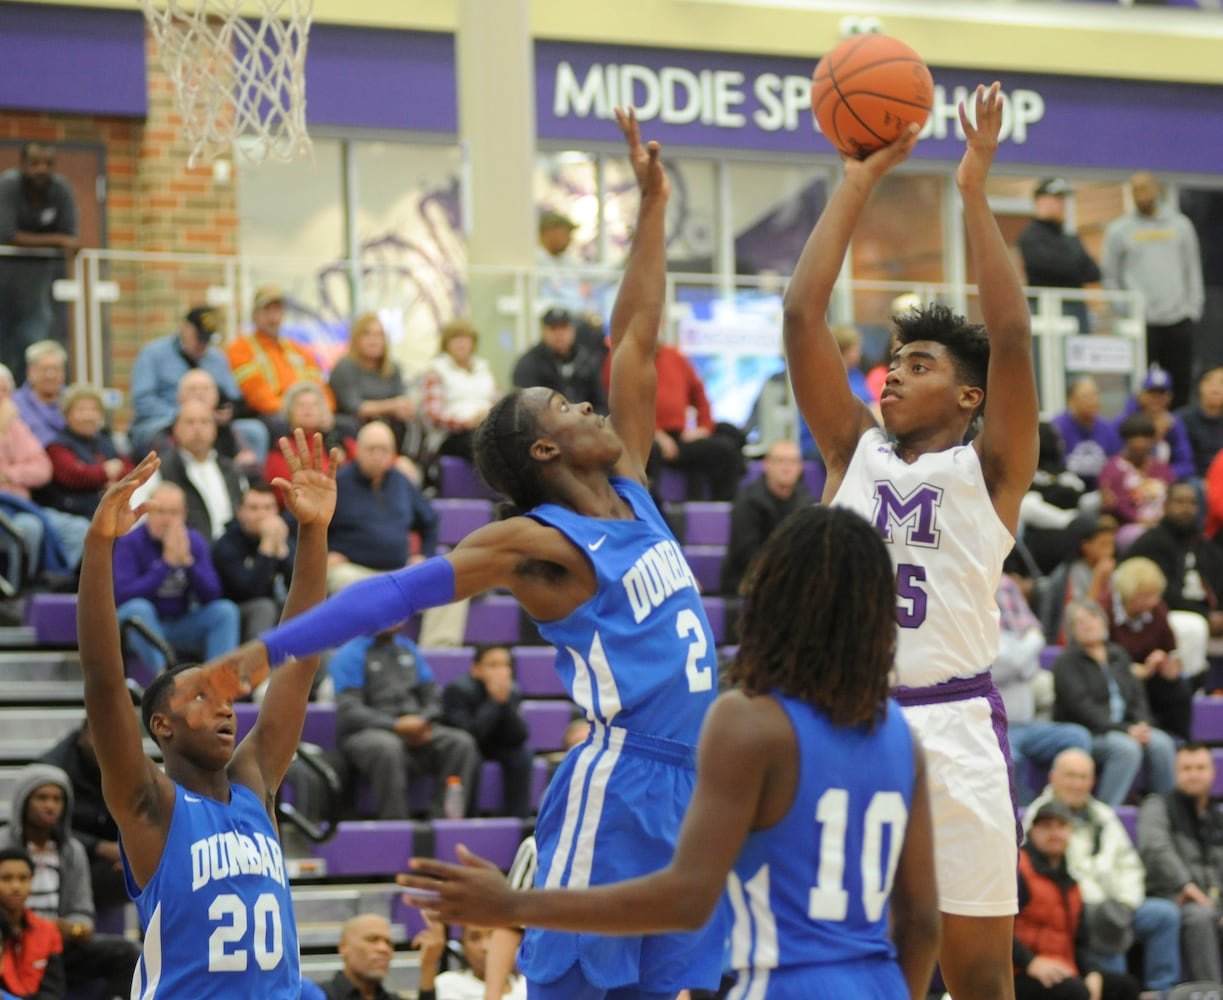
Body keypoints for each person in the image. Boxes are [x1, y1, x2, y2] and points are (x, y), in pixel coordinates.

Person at [201, 110, 730, 1000]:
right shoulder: (537, 544)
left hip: (695, 780)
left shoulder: (633, 482)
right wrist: (263, 653)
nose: (586, 406)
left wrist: (652, 206)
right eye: (562, 408)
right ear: (543, 454)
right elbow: (397, 594)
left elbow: (634, 332)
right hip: (624, 779)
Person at [399, 505, 940, 1000]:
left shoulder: (748, 722)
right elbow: (921, 922)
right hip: (882, 984)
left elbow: (685, 899)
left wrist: (514, 906)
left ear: (775, 597)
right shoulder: (901, 737)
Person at [782, 83, 1033, 1000]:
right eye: (891, 362)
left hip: (958, 726)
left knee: (978, 978)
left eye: (919, 366)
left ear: (970, 396)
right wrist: (855, 182)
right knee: (870, 973)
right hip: (852, 722)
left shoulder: (993, 469)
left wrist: (972, 187)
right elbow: (802, 319)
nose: (892, 375)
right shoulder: (850, 448)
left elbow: (1008, 332)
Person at [77, 432, 336, 997]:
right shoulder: (151, 805)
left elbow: (300, 658)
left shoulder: (255, 781)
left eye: (223, 697)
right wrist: (99, 547)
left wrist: (313, 532)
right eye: (198, 697)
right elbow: (101, 681)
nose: (222, 706)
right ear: (160, 726)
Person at [1026, 748, 1181, 996]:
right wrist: (1106, 907)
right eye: (1070, 776)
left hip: (1120, 902)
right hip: (1083, 907)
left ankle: (1162, 991)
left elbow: (1129, 863)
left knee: (1165, 915)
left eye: (1083, 777)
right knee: (1106, 920)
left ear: (1093, 781)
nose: (1077, 784)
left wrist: (1126, 903)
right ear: (1053, 778)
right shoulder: (1042, 818)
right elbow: (1053, 877)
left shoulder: (1104, 814)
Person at [0, 765, 138, 1000]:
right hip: (9, 941)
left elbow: (81, 909)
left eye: (57, 799)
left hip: (59, 944)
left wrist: (76, 928)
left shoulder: (72, 850)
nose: (50, 806)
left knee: (127, 953)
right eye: (42, 798)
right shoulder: (3, 843)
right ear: (24, 801)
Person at [331, 627, 480, 820]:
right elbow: (349, 711)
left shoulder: (409, 649)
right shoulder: (350, 653)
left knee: (461, 743)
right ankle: (396, 827)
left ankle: (445, 823)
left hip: (415, 729)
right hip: (367, 733)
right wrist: (396, 725)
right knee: (387, 748)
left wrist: (422, 721)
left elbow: (433, 698)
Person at [1052, 601, 1177, 805]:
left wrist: (1143, 724)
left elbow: (1137, 695)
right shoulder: (1066, 662)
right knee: (1126, 749)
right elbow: (1082, 708)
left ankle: (1167, 809)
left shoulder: (1118, 654)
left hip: (1128, 728)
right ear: (1072, 630)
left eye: (1092, 618)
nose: (1087, 624)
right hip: (1089, 732)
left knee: (1162, 743)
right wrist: (1126, 729)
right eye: (1079, 622)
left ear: (1104, 622)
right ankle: (1108, 810)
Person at [1013, 799, 1139, 1000]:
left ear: (1070, 833)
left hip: (1063, 970)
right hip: (1020, 972)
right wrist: (1031, 962)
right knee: (1075, 992)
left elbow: (1081, 941)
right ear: (1032, 831)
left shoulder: (1071, 882)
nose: (1055, 833)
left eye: (1061, 826)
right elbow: (999, 931)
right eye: (1046, 826)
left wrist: (1091, 972)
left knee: (1125, 986)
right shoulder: (1019, 871)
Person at [112, 481, 241, 672]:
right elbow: (122, 595)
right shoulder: (130, 542)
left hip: (180, 623)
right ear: (148, 513)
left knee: (225, 611)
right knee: (138, 609)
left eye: (174, 513)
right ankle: (163, 678)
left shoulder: (193, 541)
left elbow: (212, 594)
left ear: (184, 515)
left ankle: (217, 687)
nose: (167, 520)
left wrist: (188, 563)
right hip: (140, 627)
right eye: (160, 512)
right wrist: (165, 565)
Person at [1103, 171, 1204, 411]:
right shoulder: (1119, 230)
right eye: (1135, 190)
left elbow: (1193, 269)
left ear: (1157, 190)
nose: (1140, 195)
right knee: (1139, 386)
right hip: (1141, 322)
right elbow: (1110, 275)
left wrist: (1193, 309)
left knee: (1181, 386)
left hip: (1178, 317)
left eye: (1145, 189)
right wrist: (1124, 311)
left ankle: (1177, 436)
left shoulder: (1181, 226)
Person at [994, 573, 1092, 805]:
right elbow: (1001, 667)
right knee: (1010, 758)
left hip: (1027, 724)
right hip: (994, 726)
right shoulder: (971, 626)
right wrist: (1022, 659)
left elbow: (1031, 645)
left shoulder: (1005, 585)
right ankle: (1028, 817)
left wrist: (1015, 659)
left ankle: (1062, 807)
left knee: (1077, 737)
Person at [128, 306, 268, 462]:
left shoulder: (216, 357)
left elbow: (234, 397)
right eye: (199, 337)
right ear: (185, 328)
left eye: (207, 339)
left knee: (254, 431)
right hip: (163, 419)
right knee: (164, 433)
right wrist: (183, 415)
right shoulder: (152, 353)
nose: (202, 344)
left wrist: (228, 411)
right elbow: (142, 401)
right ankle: (172, 479)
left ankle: (245, 480)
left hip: (210, 420)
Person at [1137, 742, 1223, 984]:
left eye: (1200, 767)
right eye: (1186, 768)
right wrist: (1186, 885)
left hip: (1213, 901)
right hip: (1173, 898)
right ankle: (1212, 993)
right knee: (1201, 917)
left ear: (1212, 772)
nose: (1193, 774)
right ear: (1175, 772)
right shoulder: (1158, 805)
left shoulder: (1217, 818)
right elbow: (1155, 849)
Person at [326, 420, 439, 594]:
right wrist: (324, 556)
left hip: (400, 572)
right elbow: (306, 527)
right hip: (354, 572)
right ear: (357, 450)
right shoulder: (338, 483)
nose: (377, 455)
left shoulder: (402, 482)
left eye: (384, 449)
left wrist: (423, 555)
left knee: (449, 588)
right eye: (371, 448)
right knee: (344, 579)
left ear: (393, 453)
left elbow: (431, 521)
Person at [0, 362, 87, 582]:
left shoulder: (15, 425)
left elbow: (43, 468)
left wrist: (11, 475)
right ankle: (14, 602)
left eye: (6, 390)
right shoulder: (6, 423)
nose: (3, 397)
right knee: (28, 528)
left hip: (23, 505)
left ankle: (49, 585)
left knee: (80, 530)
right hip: (7, 511)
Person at [0, 142, 78, 385]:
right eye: (34, 163)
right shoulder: (9, 184)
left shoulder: (60, 189)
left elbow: (72, 238)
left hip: (36, 290)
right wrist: (56, 240)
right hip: (3, 285)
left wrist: (61, 241)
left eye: (48, 164)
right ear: (23, 165)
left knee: (34, 349)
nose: (41, 169)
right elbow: (7, 234)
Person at [1104, 556, 1196, 740]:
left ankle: (1180, 741)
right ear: (1128, 593)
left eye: (1155, 595)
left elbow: (1173, 652)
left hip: (1151, 675)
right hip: (1114, 677)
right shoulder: (1104, 608)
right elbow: (1100, 656)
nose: (1152, 602)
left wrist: (1168, 666)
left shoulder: (1158, 610)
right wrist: (1135, 670)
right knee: (1130, 688)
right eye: (1145, 596)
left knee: (1180, 688)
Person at [38, 719, 126, 911]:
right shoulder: (51, 770)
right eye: (98, 738)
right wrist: (99, 847)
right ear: (81, 737)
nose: (105, 745)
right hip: (63, 853)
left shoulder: (122, 761)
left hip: (108, 857)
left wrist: (129, 852)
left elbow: (134, 814)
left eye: (112, 739)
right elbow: (44, 826)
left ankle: (156, 938)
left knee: (149, 868)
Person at [442, 644, 533, 820]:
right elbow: (470, 734)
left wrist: (504, 703)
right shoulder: (458, 690)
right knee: (471, 757)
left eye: (505, 665)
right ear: (476, 669)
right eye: (493, 665)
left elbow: (519, 736)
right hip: (469, 747)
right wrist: (494, 702)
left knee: (523, 756)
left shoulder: (512, 691)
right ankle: (470, 818)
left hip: (497, 745)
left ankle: (520, 820)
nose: (501, 671)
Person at [226, 285, 334, 430]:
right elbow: (258, 397)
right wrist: (297, 412)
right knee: (280, 425)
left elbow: (320, 387)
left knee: (344, 425)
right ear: (254, 314)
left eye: (277, 310)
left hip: (305, 413)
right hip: (271, 415)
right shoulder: (240, 349)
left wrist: (325, 410)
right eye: (267, 310)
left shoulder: (298, 349)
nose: (273, 317)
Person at [648, 342, 746, 502]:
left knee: (726, 448)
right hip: (646, 439)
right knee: (653, 452)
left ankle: (723, 513)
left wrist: (703, 428)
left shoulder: (675, 357)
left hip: (680, 436)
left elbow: (700, 394)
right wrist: (655, 434)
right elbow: (625, 404)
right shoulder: (624, 358)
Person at [719, 437, 812, 596]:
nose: (786, 468)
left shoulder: (807, 502)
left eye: (792, 462)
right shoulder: (747, 501)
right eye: (780, 461)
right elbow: (746, 554)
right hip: (747, 581)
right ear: (767, 464)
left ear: (800, 467)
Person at [327, 312, 418, 462]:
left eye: (379, 335)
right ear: (356, 339)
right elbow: (356, 408)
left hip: (391, 427)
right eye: (367, 334)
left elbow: (403, 401)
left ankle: (408, 462)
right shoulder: (345, 367)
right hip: (355, 428)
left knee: (413, 423)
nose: (374, 340)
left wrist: (403, 408)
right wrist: (392, 406)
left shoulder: (393, 369)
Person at [211, 484, 295, 642]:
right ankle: (258, 666)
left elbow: (299, 588)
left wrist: (283, 553)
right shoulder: (227, 544)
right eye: (254, 508)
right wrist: (267, 549)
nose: (262, 515)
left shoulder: (282, 536)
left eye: (268, 507)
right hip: (233, 614)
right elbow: (252, 592)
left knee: (302, 607)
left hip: (271, 607)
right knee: (263, 607)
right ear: (240, 512)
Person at [1017, 177, 1101, 335]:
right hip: (1045, 310)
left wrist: (1071, 264)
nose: (1061, 204)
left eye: (1062, 199)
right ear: (1040, 200)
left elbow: (1093, 272)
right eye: (1056, 198)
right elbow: (1048, 268)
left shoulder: (1069, 236)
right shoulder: (1030, 236)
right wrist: (1075, 264)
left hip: (1076, 308)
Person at [155, 399, 248, 541]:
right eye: (190, 422)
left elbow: (245, 513)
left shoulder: (231, 469)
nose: (197, 428)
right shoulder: (160, 469)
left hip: (230, 554)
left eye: (205, 422)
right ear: (175, 429)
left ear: (214, 429)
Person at [37, 384, 131, 520]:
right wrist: (106, 472)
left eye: (94, 410)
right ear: (67, 414)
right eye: (81, 410)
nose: (88, 416)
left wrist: (116, 480)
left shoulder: (104, 440)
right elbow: (75, 476)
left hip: (106, 508)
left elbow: (129, 468)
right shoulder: (57, 446)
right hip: (73, 513)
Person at [421, 319, 500, 464]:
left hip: (488, 429)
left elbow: (499, 403)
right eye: (455, 339)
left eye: (465, 339)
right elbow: (432, 415)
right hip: (453, 436)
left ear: (473, 343)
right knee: (481, 445)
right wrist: (467, 422)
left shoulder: (485, 369)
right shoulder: (436, 371)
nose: (461, 344)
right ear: (446, 344)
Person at [264, 383, 355, 507]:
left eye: (314, 405)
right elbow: (284, 494)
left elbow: (362, 467)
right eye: (301, 405)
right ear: (289, 412)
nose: (308, 409)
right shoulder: (282, 447)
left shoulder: (339, 441)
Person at [1098, 413, 1175, 552]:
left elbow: (1172, 496)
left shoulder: (1161, 468)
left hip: (1163, 525)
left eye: (1145, 438)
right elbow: (1117, 504)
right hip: (1128, 526)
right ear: (1126, 441)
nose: (1139, 444)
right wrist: (1140, 521)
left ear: (1152, 440)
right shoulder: (1113, 468)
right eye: (1134, 439)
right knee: (1143, 536)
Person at [1038, 515, 1118, 646]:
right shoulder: (1071, 573)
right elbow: (1078, 615)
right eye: (1103, 544)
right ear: (1086, 546)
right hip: (1075, 642)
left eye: (1112, 544)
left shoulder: (1112, 569)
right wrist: (1098, 579)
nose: (1110, 551)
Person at [511, 306, 607, 415]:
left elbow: (601, 405)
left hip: (585, 426)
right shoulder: (528, 365)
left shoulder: (586, 360)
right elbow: (526, 411)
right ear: (543, 331)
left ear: (573, 330)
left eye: (564, 327)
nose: (559, 334)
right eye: (553, 328)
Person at [0, 846, 65, 1000]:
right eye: (6, 878)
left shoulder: (47, 931)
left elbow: (54, 991)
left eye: (23, 879)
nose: (16, 887)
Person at [415, 915, 526, 1000]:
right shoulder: (446, 984)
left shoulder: (526, 986)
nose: (485, 947)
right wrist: (428, 966)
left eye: (493, 936)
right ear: (463, 946)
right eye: (475, 938)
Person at [1117, 366, 1195, 482]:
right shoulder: (1124, 420)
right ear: (1140, 395)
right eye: (1151, 394)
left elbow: (1186, 464)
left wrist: (1162, 475)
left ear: (1169, 398)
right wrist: (1153, 436)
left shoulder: (1173, 423)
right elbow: (1115, 458)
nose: (1156, 399)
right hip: (1127, 478)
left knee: (1192, 486)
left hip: (1162, 481)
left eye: (1161, 394)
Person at [1052, 377, 1122, 494]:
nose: (1092, 401)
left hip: (1100, 493)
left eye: (1095, 396)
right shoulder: (1056, 428)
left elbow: (1116, 465)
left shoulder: (1109, 428)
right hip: (1065, 493)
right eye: (1086, 397)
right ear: (1071, 400)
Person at [317, 912, 397, 1000]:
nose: (383, 949)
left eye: (388, 943)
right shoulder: (316, 996)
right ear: (344, 947)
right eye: (372, 939)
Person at [1177, 366, 1223, 479]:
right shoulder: (1181, 418)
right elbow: (1181, 459)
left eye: (1221, 383)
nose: (1215, 388)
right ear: (1200, 386)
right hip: (1193, 476)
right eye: (1209, 381)